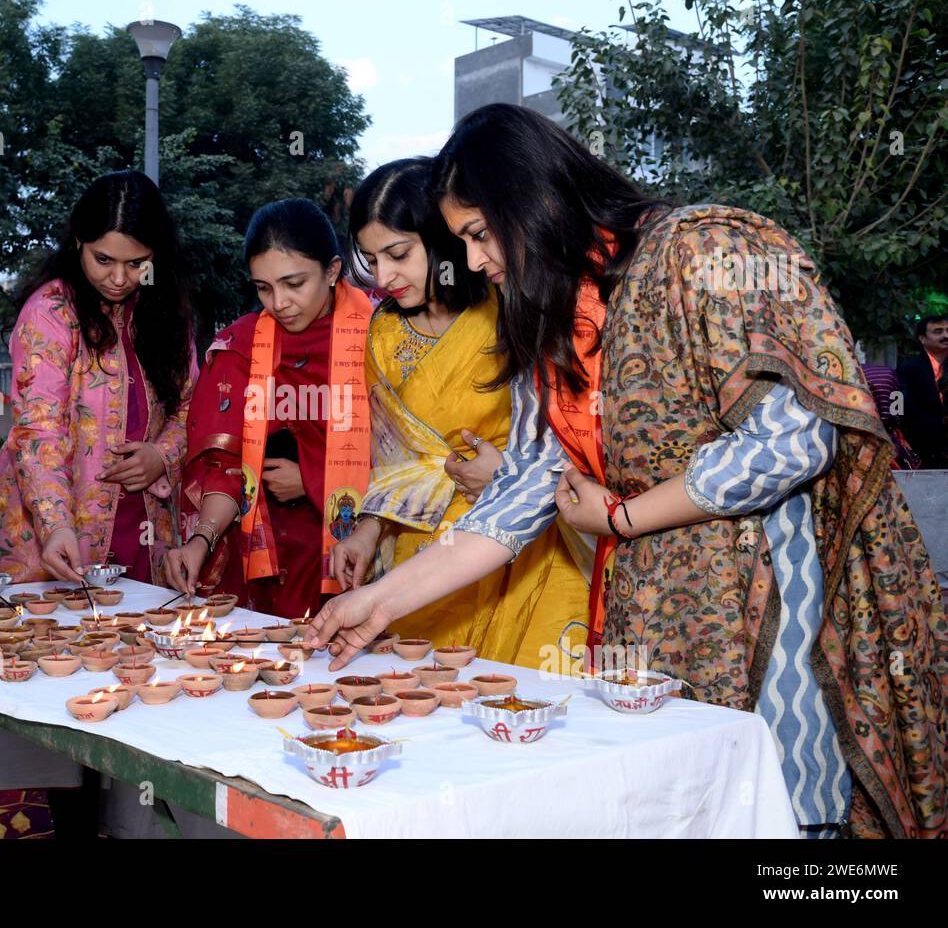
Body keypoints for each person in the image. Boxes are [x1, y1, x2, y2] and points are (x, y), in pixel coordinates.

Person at [313, 104, 947, 838]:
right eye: (464, 243)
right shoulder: (551, 317)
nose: (479, 262)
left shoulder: (702, 249)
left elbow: (795, 438)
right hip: (648, 615)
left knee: (783, 817)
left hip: (767, 604)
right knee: (677, 807)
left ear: (535, 196)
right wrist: (385, 600)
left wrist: (622, 517)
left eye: (482, 235)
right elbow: (519, 490)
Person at [329, 158, 589, 667]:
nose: (383, 276)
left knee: (534, 701)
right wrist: (368, 528)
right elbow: (396, 460)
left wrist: (504, 476)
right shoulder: (383, 333)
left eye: (398, 253)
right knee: (420, 700)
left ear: (443, 238)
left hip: (531, 542)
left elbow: (566, 436)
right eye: (371, 258)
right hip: (426, 549)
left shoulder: (513, 306)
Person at [163, 199, 373, 618]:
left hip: (355, 556)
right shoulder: (240, 348)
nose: (279, 302)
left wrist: (312, 479)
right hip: (260, 562)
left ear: (332, 271)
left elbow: (409, 459)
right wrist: (199, 540)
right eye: (264, 288)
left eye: (294, 283)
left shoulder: (380, 339)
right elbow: (222, 464)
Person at [0, 171, 196, 586]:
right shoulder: (50, 312)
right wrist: (55, 525)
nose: (119, 279)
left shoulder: (168, 314)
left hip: (147, 529)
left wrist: (162, 456)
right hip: (58, 536)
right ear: (78, 242)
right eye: (104, 260)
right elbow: (38, 430)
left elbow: (190, 408)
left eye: (136, 263)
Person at [896, 314, 948, 468]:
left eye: (947, 330)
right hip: (920, 445)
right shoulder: (909, 368)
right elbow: (897, 404)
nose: (946, 335)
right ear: (922, 338)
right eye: (938, 331)